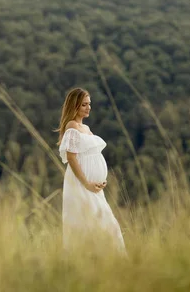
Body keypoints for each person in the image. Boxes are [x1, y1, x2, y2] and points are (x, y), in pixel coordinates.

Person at [56, 87, 127, 255]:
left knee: (106, 225)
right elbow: (72, 158)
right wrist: (86, 183)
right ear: (74, 106)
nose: (88, 108)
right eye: (83, 105)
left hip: (94, 188)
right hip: (82, 186)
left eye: (89, 104)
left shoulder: (85, 128)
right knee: (95, 226)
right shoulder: (72, 127)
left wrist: (99, 180)